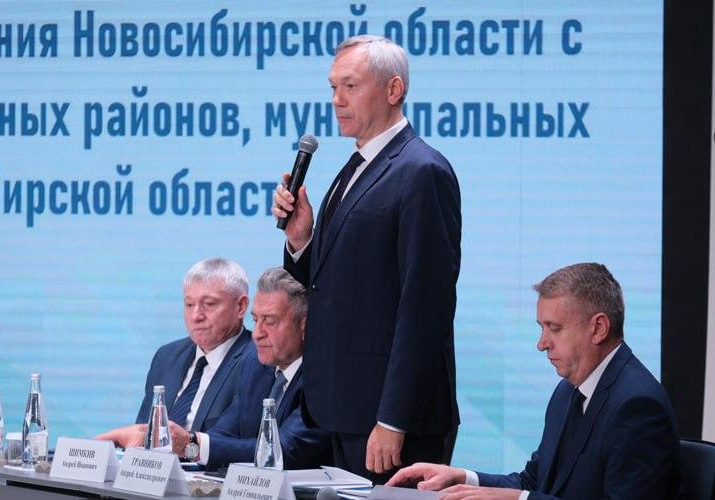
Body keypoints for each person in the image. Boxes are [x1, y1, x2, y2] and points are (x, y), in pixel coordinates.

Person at [272, 34, 461, 481]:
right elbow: (338, 283)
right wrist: (302, 241)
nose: (337, 100)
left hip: (389, 420)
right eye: (333, 87)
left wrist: (393, 419)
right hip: (341, 407)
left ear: (394, 90)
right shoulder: (354, 167)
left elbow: (426, 306)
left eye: (351, 86)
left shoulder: (421, 170)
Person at [387, 263, 682, 500]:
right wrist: (462, 478)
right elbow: (534, 481)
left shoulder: (638, 406)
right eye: (542, 328)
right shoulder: (568, 391)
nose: (542, 344)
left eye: (555, 328)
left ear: (599, 328)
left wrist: (520, 499)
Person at [165, 267, 332, 469]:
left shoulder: (327, 380)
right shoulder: (257, 367)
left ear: (305, 326)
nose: (257, 334)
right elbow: (222, 436)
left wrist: (191, 444)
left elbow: (282, 451)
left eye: (269, 321)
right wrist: (188, 446)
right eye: (255, 320)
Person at [96, 257, 252, 447]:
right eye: (189, 304)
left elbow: (244, 445)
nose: (196, 316)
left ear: (240, 306)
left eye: (209, 304)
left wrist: (189, 446)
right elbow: (143, 432)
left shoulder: (257, 360)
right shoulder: (167, 357)